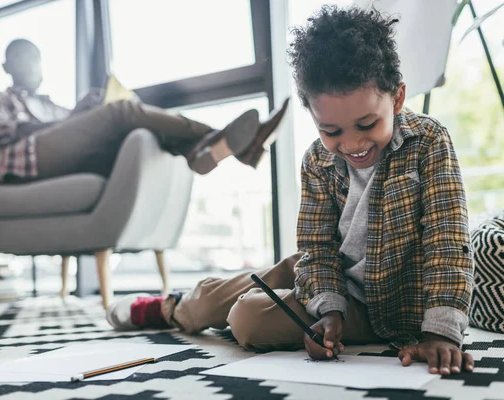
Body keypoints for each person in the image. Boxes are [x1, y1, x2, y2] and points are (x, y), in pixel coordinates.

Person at [106, 5, 475, 375]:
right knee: (211, 302)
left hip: (387, 303)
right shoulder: (317, 160)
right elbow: (316, 248)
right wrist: (328, 308)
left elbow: (448, 242)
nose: (352, 143)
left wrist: (440, 332)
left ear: (396, 98)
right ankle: (172, 308)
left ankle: (193, 305)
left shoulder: (428, 142)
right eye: (331, 132)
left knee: (248, 319)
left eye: (366, 124)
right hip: (326, 273)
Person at [0, 39, 288, 184]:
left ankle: (201, 152)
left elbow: (68, 130)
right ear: (5, 66)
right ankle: (220, 139)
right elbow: (6, 133)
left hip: (59, 157)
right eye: (24, 57)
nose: (33, 64)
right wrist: (75, 119)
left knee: (138, 127)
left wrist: (83, 112)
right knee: (123, 111)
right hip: (22, 162)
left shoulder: (49, 103)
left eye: (37, 57)